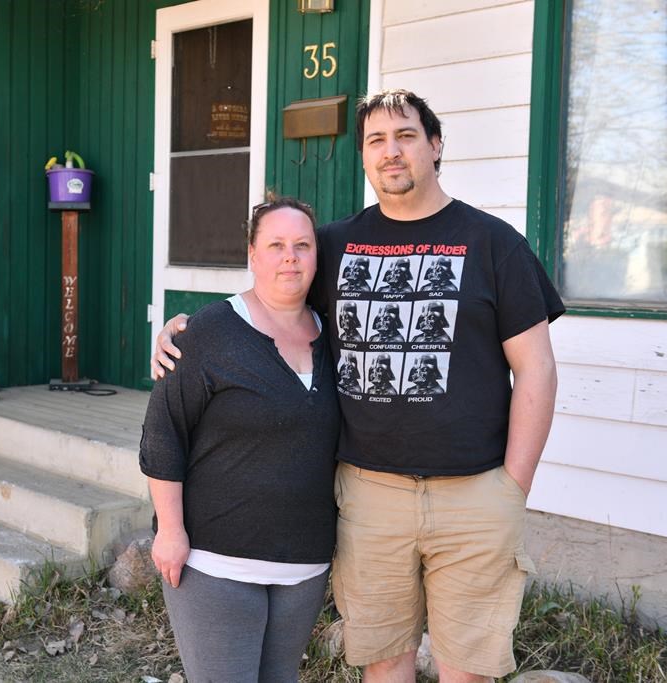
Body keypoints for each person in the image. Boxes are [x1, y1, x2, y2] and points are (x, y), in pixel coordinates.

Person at [152, 89, 564, 682]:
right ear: (365, 157)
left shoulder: (495, 243)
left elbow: (537, 369)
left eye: (406, 136)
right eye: (376, 140)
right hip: (370, 496)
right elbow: (274, 296)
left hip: (475, 496)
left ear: (435, 146)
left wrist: (513, 487)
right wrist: (189, 329)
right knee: (384, 660)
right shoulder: (334, 246)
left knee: (467, 670)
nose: (391, 151)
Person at [140, 197, 340, 683]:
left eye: (302, 245)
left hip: (303, 568)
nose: (290, 257)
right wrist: (170, 530)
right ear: (252, 254)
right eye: (275, 245)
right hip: (216, 563)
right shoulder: (208, 333)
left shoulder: (337, 337)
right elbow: (163, 434)